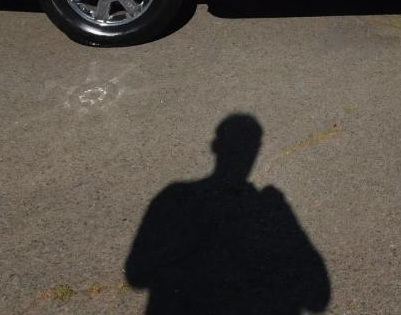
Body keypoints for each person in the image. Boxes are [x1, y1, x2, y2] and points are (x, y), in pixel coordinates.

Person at [125, 114, 330, 315]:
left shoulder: (173, 198)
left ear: (215, 146)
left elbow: (137, 275)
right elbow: (317, 297)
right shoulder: (268, 207)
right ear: (256, 152)